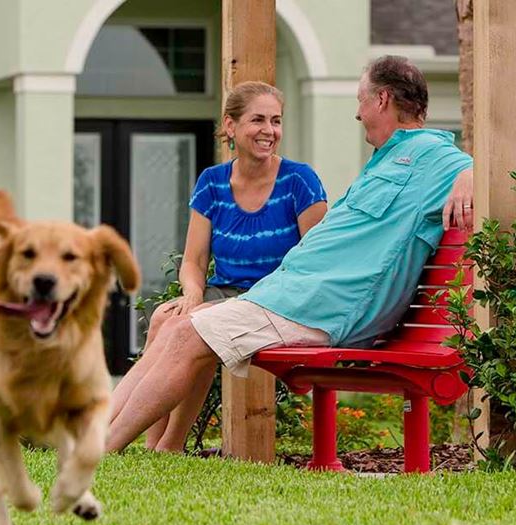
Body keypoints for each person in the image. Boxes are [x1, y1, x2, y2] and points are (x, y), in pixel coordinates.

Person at [106, 55, 477, 453]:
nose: (358, 112)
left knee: (185, 335)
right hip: (293, 296)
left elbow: (487, 168)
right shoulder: (388, 157)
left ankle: (103, 451)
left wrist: (470, 175)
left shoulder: (434, 157)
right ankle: (99, 440)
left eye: (361, 100)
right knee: (174, 328)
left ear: (382, 100)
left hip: (326, 307)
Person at [131, 81, 329, 453]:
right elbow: (193, 260)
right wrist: (191, 293)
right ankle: (154, 445)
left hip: (273, 300)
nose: (269, 131)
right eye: (258, 120)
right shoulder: (212, 183)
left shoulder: (299, 181)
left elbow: (315, 260)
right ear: (231, 126)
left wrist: (203, 307)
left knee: (198, 326)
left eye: (276, 121)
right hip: (223, 292)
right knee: (164, 317)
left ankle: (168, 444)